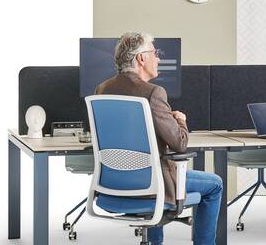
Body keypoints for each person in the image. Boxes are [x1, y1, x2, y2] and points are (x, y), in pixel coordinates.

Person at [95, 32, 222, 245]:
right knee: (215, 184)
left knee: (155, 170)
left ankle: (156, 242)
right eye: (155, 53)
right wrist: (181, 120)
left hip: (113, 187)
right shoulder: (154, 93)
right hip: (153, 186)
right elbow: (180, 143)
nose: (159, 58)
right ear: (141, 59)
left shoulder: (102, 89)